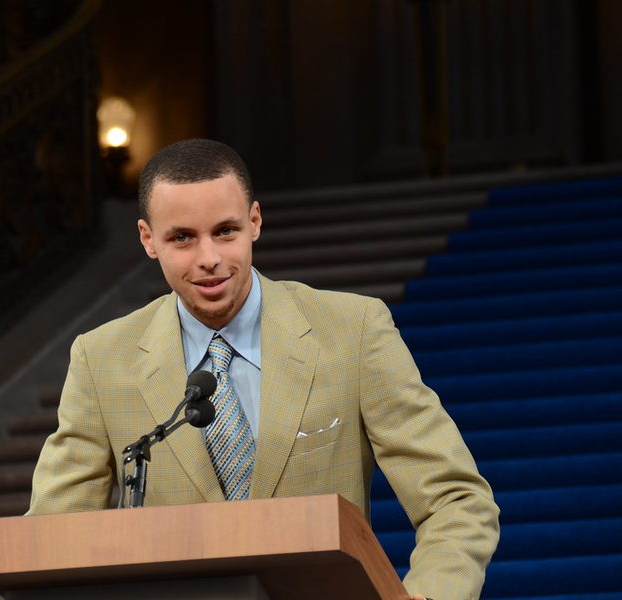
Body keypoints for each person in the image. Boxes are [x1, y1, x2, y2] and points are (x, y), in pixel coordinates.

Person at [28, 138, 500, 599]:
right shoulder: (101, 359)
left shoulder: (353, 330)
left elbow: (456, 500)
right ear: (148, 239)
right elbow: (49, 543)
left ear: (255, 221)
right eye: (182, 238)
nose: (209, 258)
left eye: (225, 231)